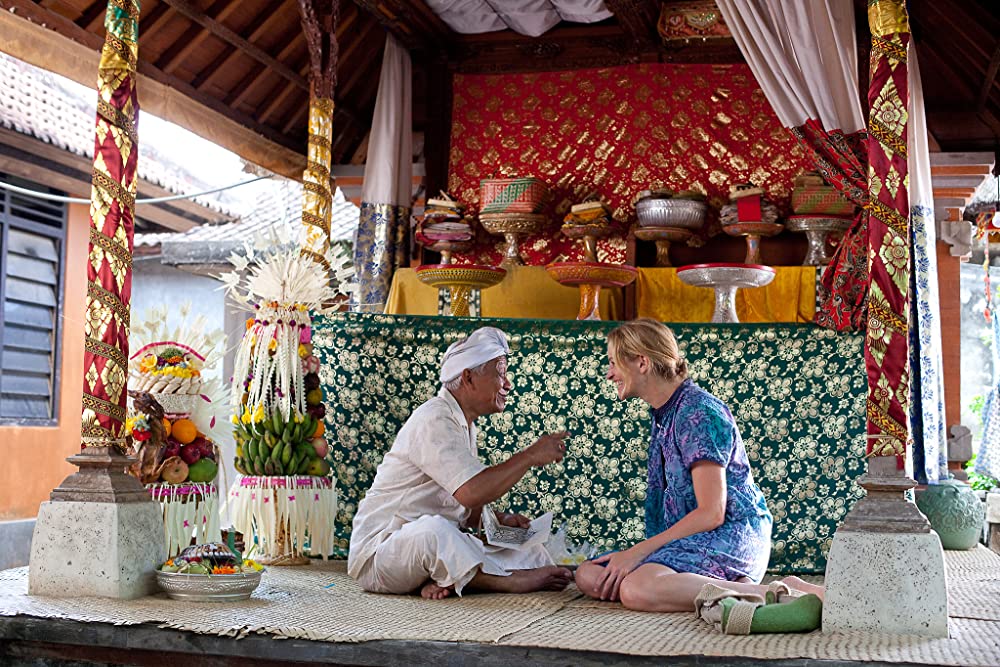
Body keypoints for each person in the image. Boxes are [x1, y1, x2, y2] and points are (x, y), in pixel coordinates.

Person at [575, 319, 823, 632]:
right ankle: (732, 593)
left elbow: (712, 513)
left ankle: (781, 593)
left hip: (732, 532)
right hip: (692, 540)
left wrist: (638, 551)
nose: (609, 373)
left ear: (641, 362)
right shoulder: (665, 414)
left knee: (636, 589)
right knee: (589, 574)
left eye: (613, 363)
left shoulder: (698, 412)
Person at [348, 326, 574, 600]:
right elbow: (470, 492)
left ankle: (450, 578)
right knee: (435, 532)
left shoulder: (463, 423)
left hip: (425, 549)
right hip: (380, 555)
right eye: (500, 373)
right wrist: (529, 456)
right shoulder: (435, 418)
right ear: (468, 378)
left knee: (531, 552)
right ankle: (503, 582)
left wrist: (498, 522)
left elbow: (462, 505)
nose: (508, 383)